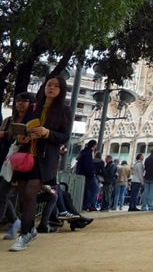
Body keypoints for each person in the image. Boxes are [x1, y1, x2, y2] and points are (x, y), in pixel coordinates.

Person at [9, 75, 73, 252]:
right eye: (48, 85)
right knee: (22, 195)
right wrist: (22, 135)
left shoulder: (64, 111)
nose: (51, 88)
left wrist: (46, 133)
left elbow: (64, 136)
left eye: (55, 86)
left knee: (30, 193)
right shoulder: (34, 107)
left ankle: (24, 235)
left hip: (44, 160)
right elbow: (23, 128)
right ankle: (30, 230)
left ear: (61, 91)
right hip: (25, 156)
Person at [1, 94, 35, 240]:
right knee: (2, 193)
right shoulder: (8, 120)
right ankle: (15, 221)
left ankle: (19, 223)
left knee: (2, 193)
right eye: (18, 101)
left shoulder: (32, 122)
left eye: (24, 101)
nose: (20, 103)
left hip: (18, 161)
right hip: (4, 158)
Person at [75, 140, 99, 212]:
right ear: (94, 145)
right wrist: (92, 174)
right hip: (89, 175)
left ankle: (86, 205)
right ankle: (87, 205)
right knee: (95, 189)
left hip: (83, 174)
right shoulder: (88, 154)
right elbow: (88, 166)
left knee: (87, 190)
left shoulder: (84, 152)